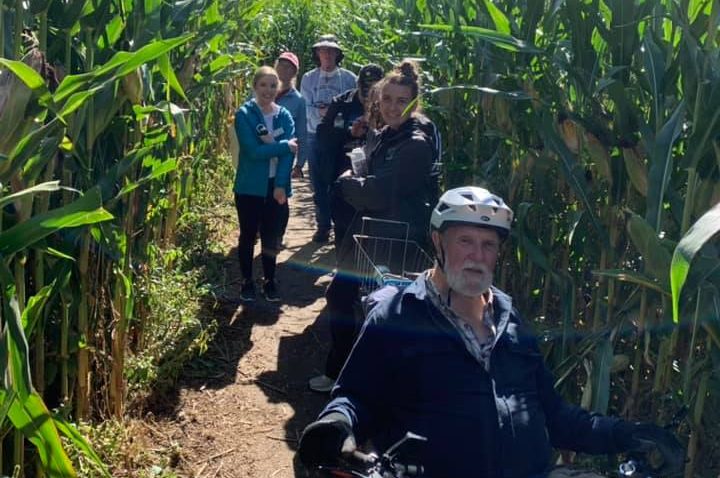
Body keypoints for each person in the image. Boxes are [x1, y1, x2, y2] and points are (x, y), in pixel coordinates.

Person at [298, 186, 686, 477]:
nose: (477, 256)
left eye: (488, 245)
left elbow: (553, 415)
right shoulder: (397, 314)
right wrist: (337, 424)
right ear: (438, 241)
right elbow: (357, 396)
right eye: (465, 241)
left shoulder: (510, 319)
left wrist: (625, 434)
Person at [308, 60, 439, 393]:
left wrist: (346, 183)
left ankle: (360, 383)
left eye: (401, 100)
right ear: (378, 100)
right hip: (372, 235)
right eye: (388, 99)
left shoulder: (416, 143)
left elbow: (381, 192)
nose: (393, 107)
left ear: (414, 102)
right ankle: (345, 374)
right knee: (345, 297)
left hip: (395, 240)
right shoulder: (390, 135)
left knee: (377, 310)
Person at [233, 66, 298, 302]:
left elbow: (288, 157)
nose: (268, 90)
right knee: (248, 235)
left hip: (275, 187)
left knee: (271, 237)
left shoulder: (284, 116)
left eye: (273, 85)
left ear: (278, 88)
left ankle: (270, 280)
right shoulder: (244, 114)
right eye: (263, 85)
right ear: (255, 86)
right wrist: (284, 146)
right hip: (249, 187)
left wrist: (280, 185)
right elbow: (252, 152)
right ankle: (246, 281)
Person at [316, 63, 385, 250]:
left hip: (373, 179)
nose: (368, 97)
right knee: (343, 227)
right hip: (342, 175)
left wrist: (373, 130)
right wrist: (349, 132)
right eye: (365, 91)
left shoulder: (388, 108)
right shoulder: (341, 103)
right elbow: (322, 134)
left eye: (374, 91)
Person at [300, 34, 357, 243]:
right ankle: (323, 225)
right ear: (317, 53)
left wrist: (334, 114)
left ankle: (342, 226)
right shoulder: (308, 78)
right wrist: (325, 114)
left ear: (337, 53)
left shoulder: (349, 78)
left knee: (341, 182)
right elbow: (306, 107)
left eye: (331, 50)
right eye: (323, 50)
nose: (327, 54)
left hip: (341, 138)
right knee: (318, 182)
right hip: (315, 134)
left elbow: (354, 107)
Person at [273, 51, 307, 180]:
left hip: (284, 153)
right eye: (280, 65)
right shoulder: (260, 90)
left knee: (279, 192)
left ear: (294, 72)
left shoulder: (298, 100)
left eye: (288, 67)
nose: (283, 69)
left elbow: (302, 132)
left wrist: (299, 165)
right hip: (260, 150)